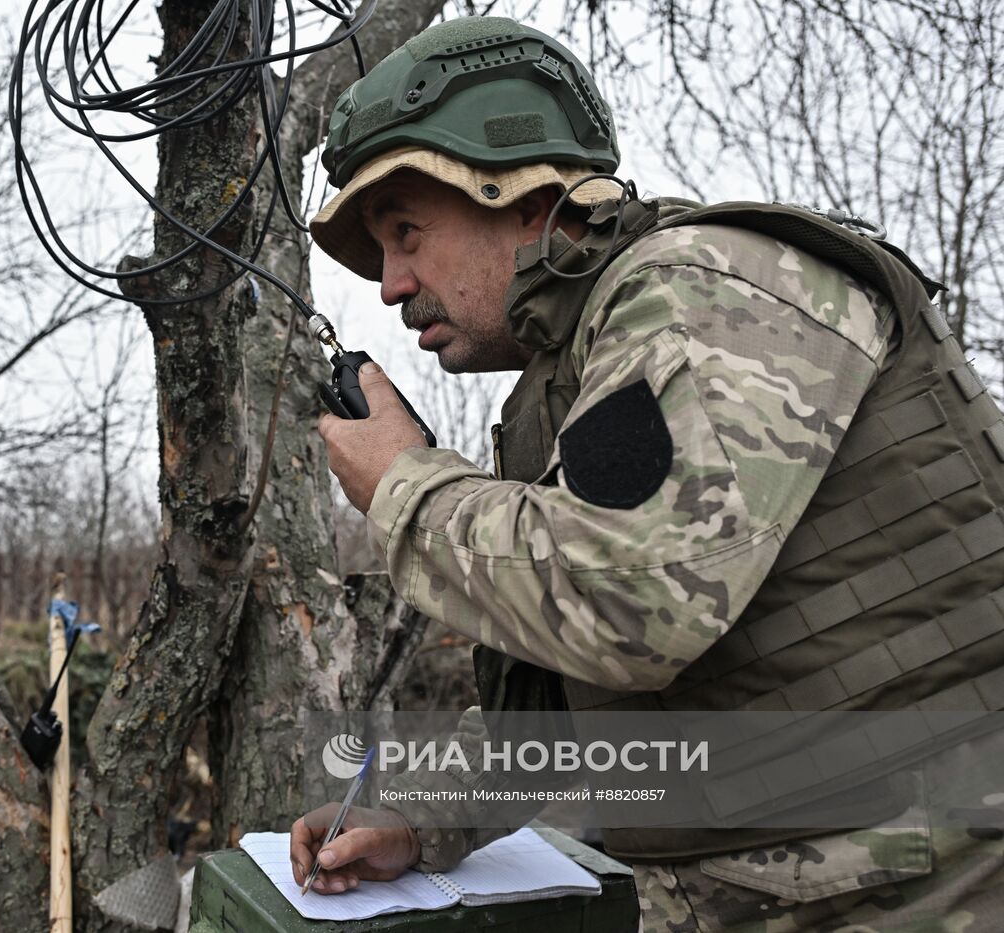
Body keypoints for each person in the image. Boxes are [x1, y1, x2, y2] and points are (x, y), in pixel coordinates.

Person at [290, 14, 1004, 931]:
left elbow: (637, 605)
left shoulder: (702, 289)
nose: (389, 285)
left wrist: (406, 486)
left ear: (516, 197)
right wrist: (420, 813)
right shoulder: (580, 372)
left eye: (406, 233)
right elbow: (568, 712)